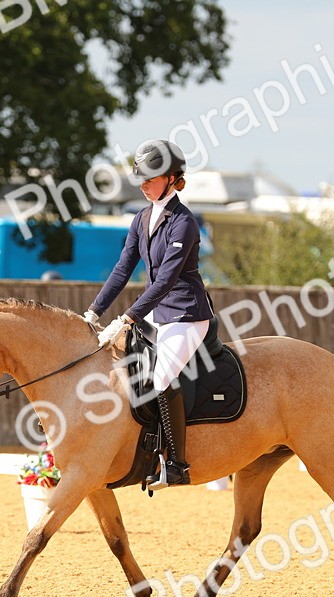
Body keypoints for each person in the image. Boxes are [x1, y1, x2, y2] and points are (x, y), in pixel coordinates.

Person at [85, 139, 213, 489]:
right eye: (140, 178)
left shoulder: (183, 222)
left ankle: (176, 464)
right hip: (156, 314)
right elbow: (122, 269)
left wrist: (128, 318)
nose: (143, 184)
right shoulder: (141, 218)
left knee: (160, 379)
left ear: (172, 178)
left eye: (151, 178)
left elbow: (166, 281)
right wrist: (94, 312)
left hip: (185, 314)